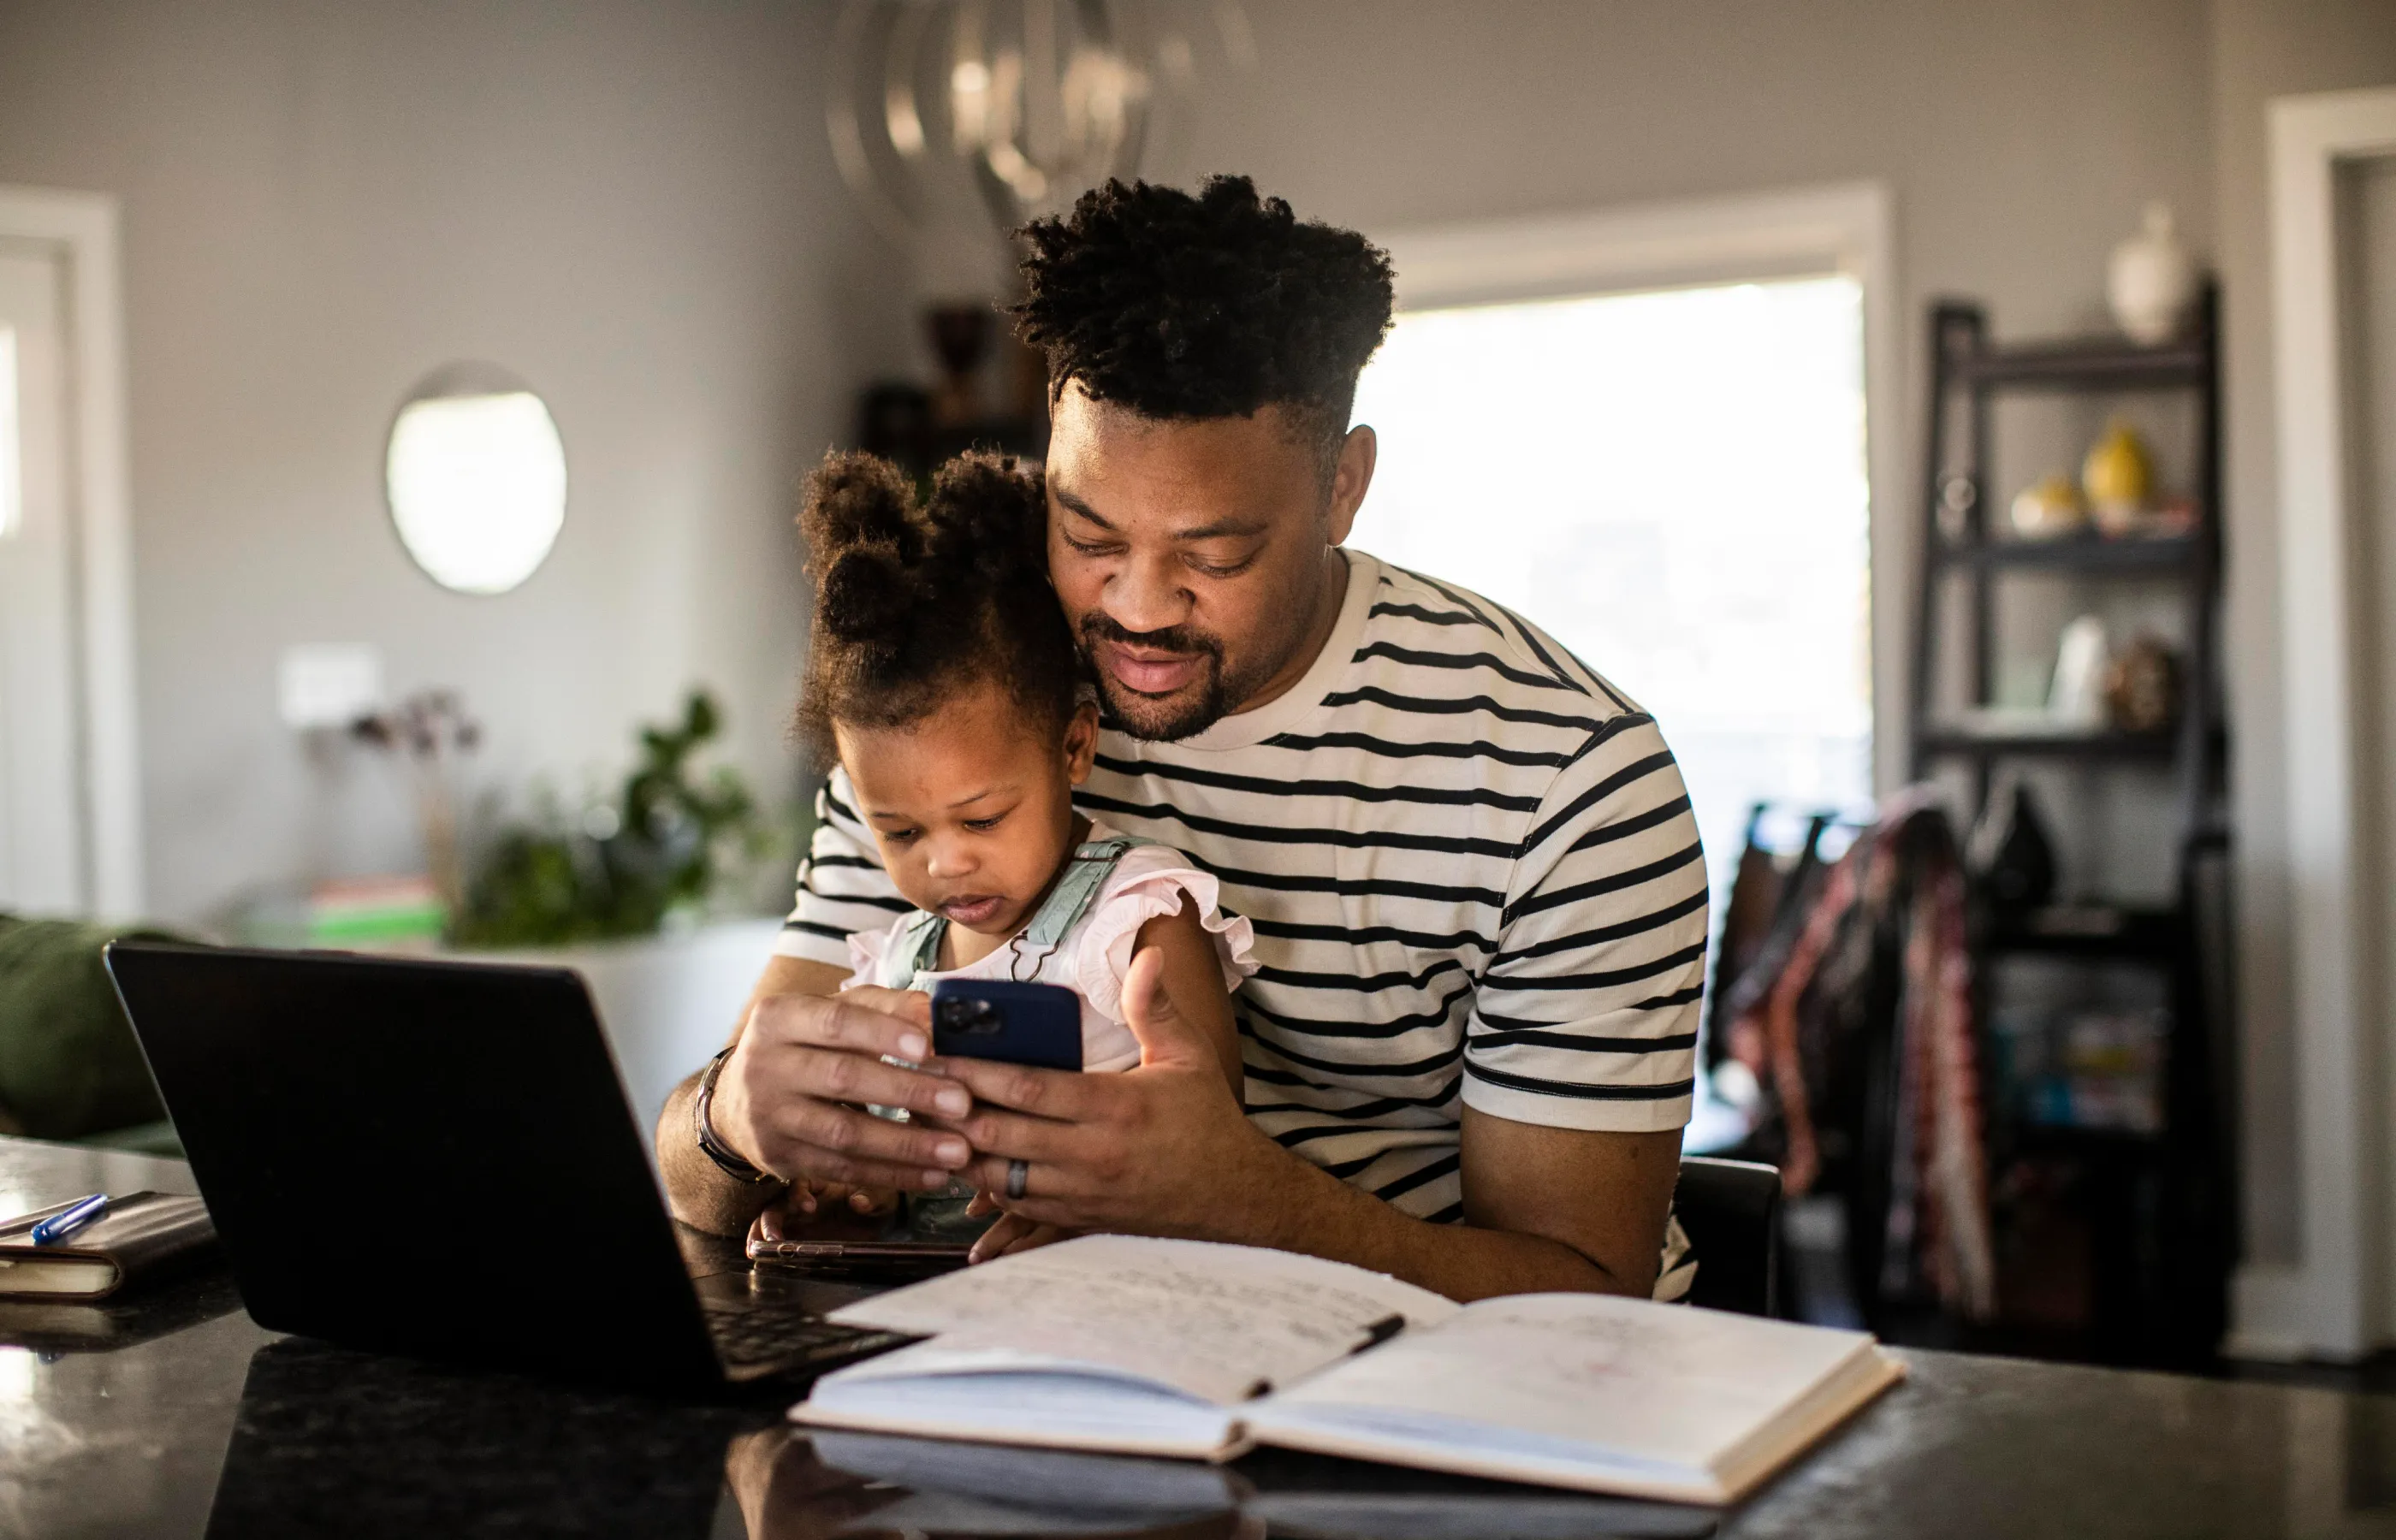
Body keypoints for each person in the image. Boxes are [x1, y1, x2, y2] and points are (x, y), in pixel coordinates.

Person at [661, 175, 1710, 1304]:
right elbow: (695, 1183)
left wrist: (1238, 1203)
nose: (1142, 608)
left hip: (1427, 1400)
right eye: (1089, 532)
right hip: (1039, 1354)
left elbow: (1586, 1303)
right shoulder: (964, 711)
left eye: (1214, 555)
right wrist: (733, 1121)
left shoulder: (1566, 782)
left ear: (1344, 486)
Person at [779, 448, 1254, 1253]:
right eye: (899, 832)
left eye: (983, 820)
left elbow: (1211, 1147)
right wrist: (847, 1185)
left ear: (1074, 748)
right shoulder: (893, 964)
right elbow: (880, 1156)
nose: (944, 864)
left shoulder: (1136, 919)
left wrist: (1098, 1201)